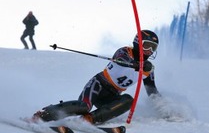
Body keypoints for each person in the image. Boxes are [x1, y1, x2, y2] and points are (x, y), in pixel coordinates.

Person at [33, 30, 161, 124]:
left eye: (153, 48)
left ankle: (89, 119)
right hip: (98, 85)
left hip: (112, 95)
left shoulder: (148, 70)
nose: (149, 50)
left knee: (128, 100)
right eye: (146, 45)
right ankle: (44, 115)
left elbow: (152, 92)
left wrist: (165, 107)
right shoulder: (125, 51)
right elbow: (121, 59)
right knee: (84, 106)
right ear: (137, 42)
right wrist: (137, 64)